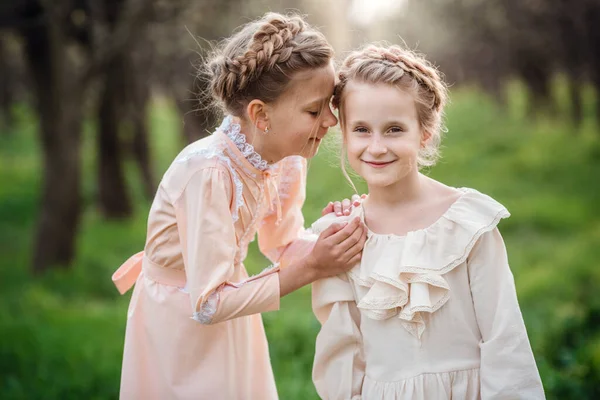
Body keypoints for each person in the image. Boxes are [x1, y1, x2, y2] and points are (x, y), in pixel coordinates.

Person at [111, 12, 366, 399]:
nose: (331, 120)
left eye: (329, 106)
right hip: (179, 325)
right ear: (261, 114)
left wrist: (332, 238)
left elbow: (280, 245)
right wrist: (315, 265)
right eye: (315, 111)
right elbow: (208, 303)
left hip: (234, 309)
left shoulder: (288, 157)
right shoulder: (208, 172)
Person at [310, 44, 545, 399]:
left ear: (424, 132)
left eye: (393, 129)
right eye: (361, 129)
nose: (375, 147)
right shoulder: (342, 236)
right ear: (342, 132)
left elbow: (504, 339)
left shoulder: (467, 225)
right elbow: (342, 356)